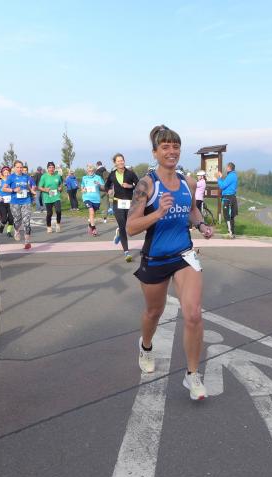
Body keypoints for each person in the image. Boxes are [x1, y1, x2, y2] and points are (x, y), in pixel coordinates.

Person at [127, 125, 214, 401]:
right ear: (155, 152)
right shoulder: (146, 185)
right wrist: (158, 213)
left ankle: (192, 374)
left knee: (194, 314)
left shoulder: (188, 182)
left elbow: (192, 210)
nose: (171, 151)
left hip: (184, 255)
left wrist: (201, 225)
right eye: (165, 147)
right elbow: (131, 227)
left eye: (175, 146)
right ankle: (146, 346)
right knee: (154, 311)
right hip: (155, 258)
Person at [105, 153, 139, 261]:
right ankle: (126, 252)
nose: (121, 162)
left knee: (128, 226)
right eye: (118, 161)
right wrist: (109, 190)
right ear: (115, 163)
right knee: (122, 225)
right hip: (117, 203)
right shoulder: (112, 174)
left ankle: (119, 232)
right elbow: (107, 185)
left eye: (122, 160)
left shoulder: (130, 173)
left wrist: (130, 186)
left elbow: (139, 185)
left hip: (129, 203)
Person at [1, 160, 36, 249]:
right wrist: (13, 190)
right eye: (18, 167)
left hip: (26, 201)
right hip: (15, 202)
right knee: (17, 220)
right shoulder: (11, 177)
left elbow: (27, 186)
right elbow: (4, 189)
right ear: (14, 168)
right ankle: (16, 230)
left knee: (27, 221)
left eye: (21, 167)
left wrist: (32, 191)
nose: (20, 169)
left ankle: (27, 242)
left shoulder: (26, 176)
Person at [39, 162, 64, 233]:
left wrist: (60, 188)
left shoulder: (57, 176)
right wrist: (45, 189)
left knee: (58, 211)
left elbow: (60, 185)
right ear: (47, 168)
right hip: (47, 196)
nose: (51, 169)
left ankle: (58, 224)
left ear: (54, 168)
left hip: (56, 196)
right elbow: (39, 187)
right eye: (50, 167)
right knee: (49, 213)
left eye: (53, 167)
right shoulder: (44, 176)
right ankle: (49, 226)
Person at [81, 164, 105, 236]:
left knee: (93, 214)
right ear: (87, 171)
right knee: (91, 211)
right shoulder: (84, 178)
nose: (90, 171)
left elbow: (103, 187)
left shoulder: (98, 177)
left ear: (94, 170)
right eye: (89, 170)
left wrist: (99, 184)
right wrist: (83, 190)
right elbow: (82, 187)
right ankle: (94, 229)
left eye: (92, 170)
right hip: (87, 198)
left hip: (96, 199)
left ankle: (90, 225)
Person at [216, 162, 238, 238]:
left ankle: (230, 232)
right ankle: (231, 232)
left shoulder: (230, 176)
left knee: (227, 215)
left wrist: (219, 178)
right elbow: (226, 184)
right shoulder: (233, 175)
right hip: (231, 197)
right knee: (230, 215)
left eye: (226, 167)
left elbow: (222, 186)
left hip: (228, 197)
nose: (226, 168)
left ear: (229, 168)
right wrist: (222, 178)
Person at [0, 166, 14, 237]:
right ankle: (2, 225)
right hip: (2, 202)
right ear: (2, 173)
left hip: (11, 202)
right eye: (5, 173)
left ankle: (8, 232)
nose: (7, 174)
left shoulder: (12, 182)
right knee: (4, 219)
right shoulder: (0, 182)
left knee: (11, 218)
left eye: (8, 172)